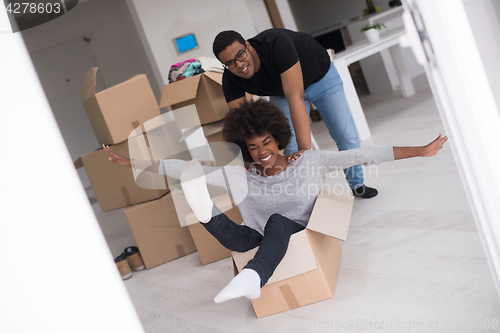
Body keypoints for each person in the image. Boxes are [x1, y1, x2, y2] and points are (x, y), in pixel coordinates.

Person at [104, 99, 448, 304]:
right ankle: (205, 210)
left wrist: (420, 150)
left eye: (266, 142)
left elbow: (366, 154)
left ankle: (254, 277)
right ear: (244, 148)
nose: (262, 152)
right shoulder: (243, 174)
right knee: (237, 230)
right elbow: (185, 167)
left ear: (278, 138)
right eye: (253, 147)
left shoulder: (310, 161)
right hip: (256, 239)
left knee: (278, 223)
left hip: (298, 228)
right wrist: (132, 162)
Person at [213, 28, 378, 198]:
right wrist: (248, 160)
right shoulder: (231, 79)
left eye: (240, 55)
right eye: (230, 63)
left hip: (321, 77)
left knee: (345, 135)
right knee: (289, 147)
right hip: (282, 93)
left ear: (248, 45)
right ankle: (303, 196)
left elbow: (295, 97)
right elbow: (242, 125)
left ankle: (357, 185)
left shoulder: (276, 43)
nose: (239, 64)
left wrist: (305, 149)